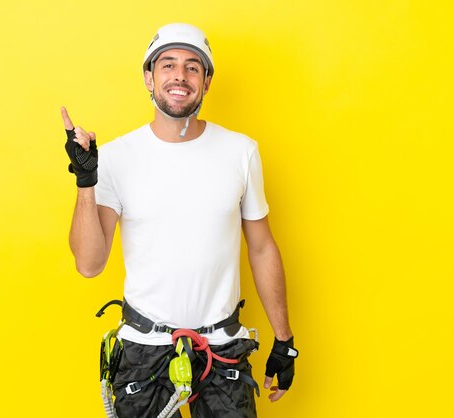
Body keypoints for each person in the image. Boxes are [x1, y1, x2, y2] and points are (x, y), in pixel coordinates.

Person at [62, 23, 297, 418]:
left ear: (206, 82)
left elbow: (261, 246)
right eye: (168, 64)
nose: (179, 76)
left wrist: (284, 338)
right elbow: (89, 264)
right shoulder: (118, 158)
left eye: (192, 67)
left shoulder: (241, 151)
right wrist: (87, 180)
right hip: (143, 350)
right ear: (149, 77)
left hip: (222, 350)